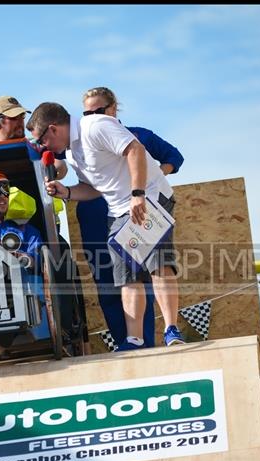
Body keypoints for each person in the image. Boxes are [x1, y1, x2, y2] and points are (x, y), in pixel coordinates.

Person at [26, 102, 184, 352]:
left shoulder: (95, 126)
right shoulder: (72, 153)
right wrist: (66, 192)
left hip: (150, 197)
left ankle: (171, 329)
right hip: (119, 210)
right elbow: (94, 189)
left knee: (157, 263)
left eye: (42, 141)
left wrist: (138, 193)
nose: (44, 148)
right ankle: (134, 340)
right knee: (126, 276)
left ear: (53, 129)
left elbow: (135, 149)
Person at [77, 87, 185, 349]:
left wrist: (152, 174)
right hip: (101, 215)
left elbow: (174, 156)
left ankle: (163, 333)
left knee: (155, 266)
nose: (93, 116)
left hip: (139, 205)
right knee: (115, 280)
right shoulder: (84, 139)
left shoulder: (138, 135)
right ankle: (130, 341)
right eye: (87, 112)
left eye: (98, 111)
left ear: (113, 109)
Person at [0, 96, 88, 352]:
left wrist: (53, 166)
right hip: (2, 238)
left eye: (23, 116)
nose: (21, 122)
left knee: (63, 265)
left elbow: (59, 165)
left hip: (43, 231)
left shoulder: (37, 146)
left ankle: (70, 334)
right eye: (15, 117)